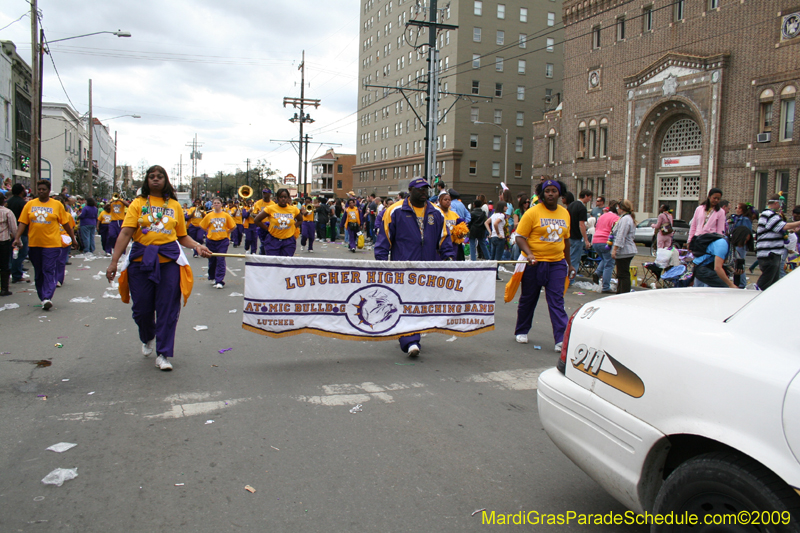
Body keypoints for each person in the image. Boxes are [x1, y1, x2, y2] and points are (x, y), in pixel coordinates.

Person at [106, 165, 211, 371]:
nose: (155, 179)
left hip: (169, 263)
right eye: (152, 176)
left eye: (160, 176)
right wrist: (114, 262)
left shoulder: (174, 205)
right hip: (140, 262)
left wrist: (198, 245)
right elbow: (126, 233)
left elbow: (182, 236)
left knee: (168, 309)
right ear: (146, 180)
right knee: (141, 309)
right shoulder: (137, 204)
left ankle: (163, 353)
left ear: (166, 180)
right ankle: (147, 337)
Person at [375, 177, 454, 357]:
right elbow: (384, 239)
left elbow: (444, 239)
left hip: (426, 268)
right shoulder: (394, 211)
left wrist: (449, 258)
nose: (424, 192)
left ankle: (412, 335)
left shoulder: (436, 213)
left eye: (426, 188)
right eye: (419, 189)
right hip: (402, 268)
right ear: (410, 191)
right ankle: (410, 340)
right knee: (405, 303)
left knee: (419, 304)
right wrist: (380, 262)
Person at [513, 179, 574, 351]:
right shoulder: (532, 213)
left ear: (560, 194)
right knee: (528, 298)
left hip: (557, 263)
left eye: (554, 191)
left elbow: (566, 241)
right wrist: (530, 254)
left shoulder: (565, 213)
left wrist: (569, 264)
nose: (550, 194)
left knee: (556, 300)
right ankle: (522, 330)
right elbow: (519, 237)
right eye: (547, 191)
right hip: (534, 263)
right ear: (542, 193)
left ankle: (561, 339)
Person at [12, 180, 76, 310]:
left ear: (49, 190)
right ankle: (43, 297)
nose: (41, 191)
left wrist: (73, 239)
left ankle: (48, 296)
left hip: (52, 244)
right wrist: (17, 237)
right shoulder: (29, 204)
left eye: (44, 189)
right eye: (39, 189)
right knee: (39, 272)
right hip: (35, 244)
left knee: (48, 269)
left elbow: (65, 224)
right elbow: (23, 222)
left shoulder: (57, 205)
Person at [755, 194, 800, 290]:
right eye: (780, 204)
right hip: (770, 253)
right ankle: (753, 296)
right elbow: (784, 226)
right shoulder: (769, 214)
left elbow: (777, 229)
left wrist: (789, 232)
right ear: (776, 203)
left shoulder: (767, 215)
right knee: (766, 282)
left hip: (770, 253)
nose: (781, 207)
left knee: (772, 283)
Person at [200, 197, 236, 288]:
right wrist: (208, 231)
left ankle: (219, 280)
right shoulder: (209, 215)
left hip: (222, 241)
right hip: (211, 240)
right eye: (214, 203)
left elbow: (233, 226)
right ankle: (212, 276)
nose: (216, 204)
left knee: (220, 259)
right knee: (212, 260)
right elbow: (202, 225)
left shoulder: (226, 215)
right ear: (212, 205)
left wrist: (227, 232)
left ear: (221, 204)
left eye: (218, 203)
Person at [254, 189, 302, 257]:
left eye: (285, 197)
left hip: (288, 241)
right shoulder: (270, 208)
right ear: (277, 198)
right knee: (273, 263)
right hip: (273, 240)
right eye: (281, 197)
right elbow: (257, 220)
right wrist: (267, 229)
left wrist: (293, 227)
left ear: (288, 198)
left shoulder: (294, 209)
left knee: (286, 263)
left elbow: (300, 220)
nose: (283, 199)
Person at [591, 201, 619, 293]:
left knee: (604, 259)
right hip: (606, 241)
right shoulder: (616, 218)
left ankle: (598, 273)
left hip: (596, 241)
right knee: (609, 264)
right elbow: (616, 231)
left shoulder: (602, 216)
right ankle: (606, 287)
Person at [610, 200, 637, 294]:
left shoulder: (626, 219)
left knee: (623, 274)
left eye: (618, 207)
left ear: (621, 208)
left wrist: (615, 249)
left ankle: (624, 292)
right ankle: (620, 290)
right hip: (625, 250)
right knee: (621, 273)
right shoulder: (626, 218)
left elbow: (621, 235)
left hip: (625, 250)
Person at [567, 189, 592, 280]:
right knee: (575, 259)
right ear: (585, 196)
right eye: (589, 197)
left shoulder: (571, 205)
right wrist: (586, 239)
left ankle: (566, 277)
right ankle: (570, 279)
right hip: (577, 237)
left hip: (569, 235)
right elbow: (581, 224)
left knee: (568, 258)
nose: (589, 200)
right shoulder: (582, 208)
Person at [7, 183, 29, 283]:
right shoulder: (23, 204)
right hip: (22, 232)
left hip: (9, 232)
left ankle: (12, 270)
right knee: (21, 253)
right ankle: (16, 273)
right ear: (21, 191)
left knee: (12, 254)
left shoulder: (9, 202)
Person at [438, 192, 466, 261]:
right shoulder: (437, 213)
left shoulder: (454, 214)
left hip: (453, 244)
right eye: (445, 199)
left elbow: (461, 226)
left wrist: (461, 234)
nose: (448, 201)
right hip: (442, 244)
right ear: (440, 201)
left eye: (449, 200)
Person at [0, 193, 18, 296]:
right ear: (4, 201)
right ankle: (4, 288)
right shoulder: (7, 212)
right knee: (4, 265)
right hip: (3, 241)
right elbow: (13, 228)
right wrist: (17, 240)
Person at [56, 196, 76, 287]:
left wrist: (73, 240)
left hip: (64, 241)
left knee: (60, 261)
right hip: (50, 240)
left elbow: (71, 228)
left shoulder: (67, 215)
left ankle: (58, 279)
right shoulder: (48, 215)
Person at [485, 201, 507, 280]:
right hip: (499, 237)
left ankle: (490, 273)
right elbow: (495, 224)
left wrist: (490, 232)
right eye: (505, 206)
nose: (507, 208)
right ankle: (495, 275)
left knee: (492, 256)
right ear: (502, 207)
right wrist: (498, 233)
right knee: (498, 257)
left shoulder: (494, 215)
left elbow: (486, 222)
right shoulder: (501, 215)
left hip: (493, 237)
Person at [252, 189, 274, 255]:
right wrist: (260, 215)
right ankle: (262, 254)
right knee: (263, 242)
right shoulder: (258, 203)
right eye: (263, 193)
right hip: (261, 225)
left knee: (270, 242)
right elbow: (253, 214)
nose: (264, 194)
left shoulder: (273, 204)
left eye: (266, 193)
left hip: (270, 225)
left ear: (270, 194)